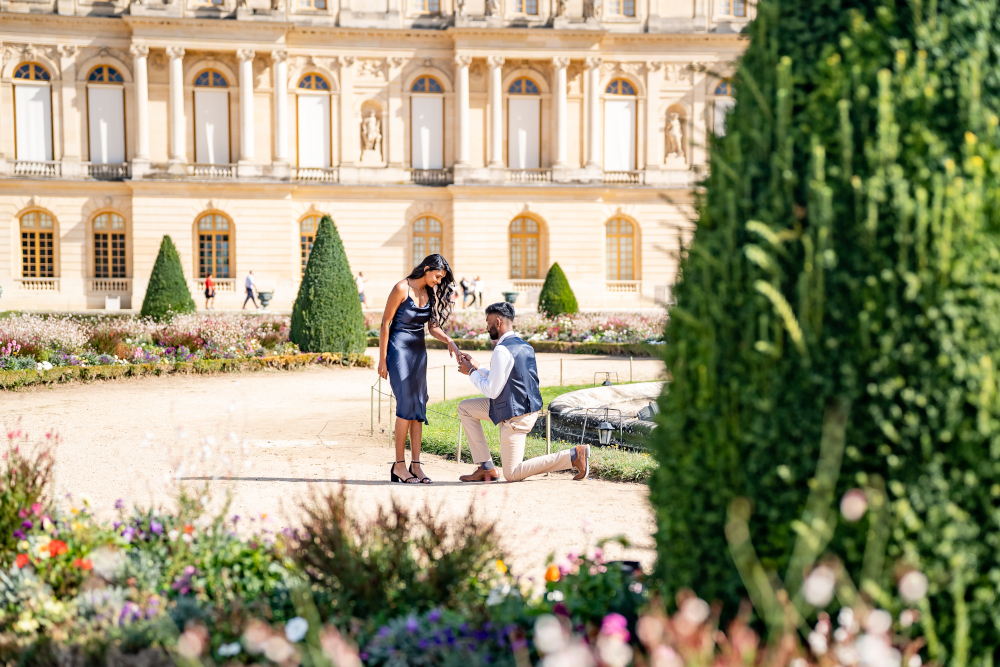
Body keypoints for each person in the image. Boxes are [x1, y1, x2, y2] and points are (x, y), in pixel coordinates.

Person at [456, 302, 589, 482]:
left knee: (512, 474)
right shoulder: (524, 345)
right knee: (465, 408)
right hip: (521, 408)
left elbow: (492, 390)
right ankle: (486, 468)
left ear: (497, 322)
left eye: (487, 323)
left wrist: (470, 372)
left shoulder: (501, 350)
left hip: (515, 416)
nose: (486, 327)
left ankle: (573, 456)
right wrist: (476, 366)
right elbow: (504, 378)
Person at [378, 254, 462, 484]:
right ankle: (398, 466)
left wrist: (450, 342)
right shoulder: (401, 288)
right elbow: (385, 324)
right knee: (405, 404)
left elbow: (432, 328)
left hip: (418, 353)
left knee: (418, 405)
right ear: (426, 269)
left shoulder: (431, 293)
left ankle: (416, 465)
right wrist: (382, 359)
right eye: (436, 276)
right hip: (398, 351)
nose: (438, 281)